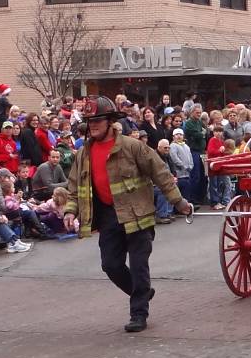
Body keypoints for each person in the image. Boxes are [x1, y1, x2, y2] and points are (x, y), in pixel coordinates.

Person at [63, 96, 190, 333]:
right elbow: (74, 188)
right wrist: (70, 210)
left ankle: (138, 313)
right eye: (90, 121)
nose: (93, 125)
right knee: (110, 265)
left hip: (138, 215)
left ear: (111, 121)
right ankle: (141, 292)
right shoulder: (84, 154)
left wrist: (178, 201)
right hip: (109, 216)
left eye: (98, 120)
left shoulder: (133, 147)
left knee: (139, 265)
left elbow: (160, 173)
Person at [183, 104, 207, 204]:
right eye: (197, 112)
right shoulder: (189, 123)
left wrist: (202, 133)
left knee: (203, 175)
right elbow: (196, 134)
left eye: (200, 113)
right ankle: (193, 198)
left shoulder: (200, 122)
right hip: (194, 151)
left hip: (202, 152)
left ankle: (201, 197)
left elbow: (206, 131)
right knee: (195, 175)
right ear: (192, 112)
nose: (198, 114)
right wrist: (202, 133)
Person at [206, 125, 231, 210]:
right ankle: (214, 202)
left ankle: (218, 201)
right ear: (213, 132)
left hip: (218, 165)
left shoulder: (220, 141)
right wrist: (219, 151)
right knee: (213, 185)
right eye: (216, 131)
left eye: (220, 131)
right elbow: (210, 151)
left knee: (219, 183)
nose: (218, 133)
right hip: (213, 165)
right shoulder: (212, 140)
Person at [169, 128, 193, 202]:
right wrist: (184, 166)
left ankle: (187, 205)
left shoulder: (186, 146)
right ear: (173, 137)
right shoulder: (173, 145)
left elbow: (190, 157)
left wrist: (191, 166)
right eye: (176, 134)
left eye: (180, 134)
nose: (179, 136)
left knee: (187, 191)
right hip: (179, 174)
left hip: (187, 174)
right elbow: (174, 158)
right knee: (180, 192)